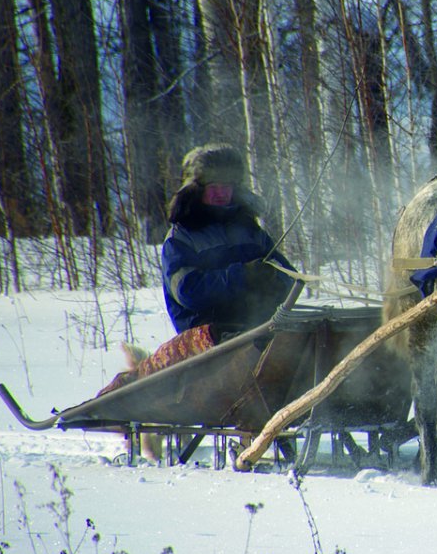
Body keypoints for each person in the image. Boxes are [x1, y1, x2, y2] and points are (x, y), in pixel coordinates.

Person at [98, 143, 296, 397]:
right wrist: (242, 275)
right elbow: (188, 291)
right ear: (195, 190)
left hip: (257, 324)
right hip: (208, 332)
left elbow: (291, 278)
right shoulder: (181, 238)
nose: (221, 193)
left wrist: (272, 279)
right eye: (213, 187)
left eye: (227, 186)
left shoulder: (251, 231)